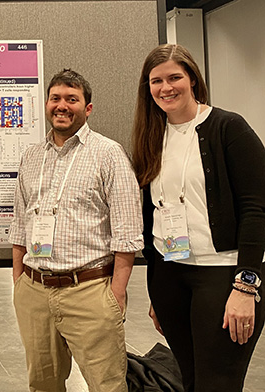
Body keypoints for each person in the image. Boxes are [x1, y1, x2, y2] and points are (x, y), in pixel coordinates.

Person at [132, 44, 265, 392]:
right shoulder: (151, 136)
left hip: (222, 275)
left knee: (216, 384)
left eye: (175, 77)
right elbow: (153, 216)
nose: (166, 88)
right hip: (170, 274)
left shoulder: (227, 127)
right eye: (156, 80)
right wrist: (156, 291)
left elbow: (256, 208)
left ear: (192, 78)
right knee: (189, 381)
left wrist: (246, 286)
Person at [9, 69, 143, 392]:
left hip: (89, 290)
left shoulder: (108, 154)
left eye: (72, 99)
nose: (62, 105)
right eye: (56, 98)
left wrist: (116, 294)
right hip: (35, 291)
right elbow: (19, 226)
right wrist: (20, 286)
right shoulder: (31, 156)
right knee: (43, 385)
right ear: (47, 104)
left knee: (106, 385)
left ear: (88, 108)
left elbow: (127, 233)